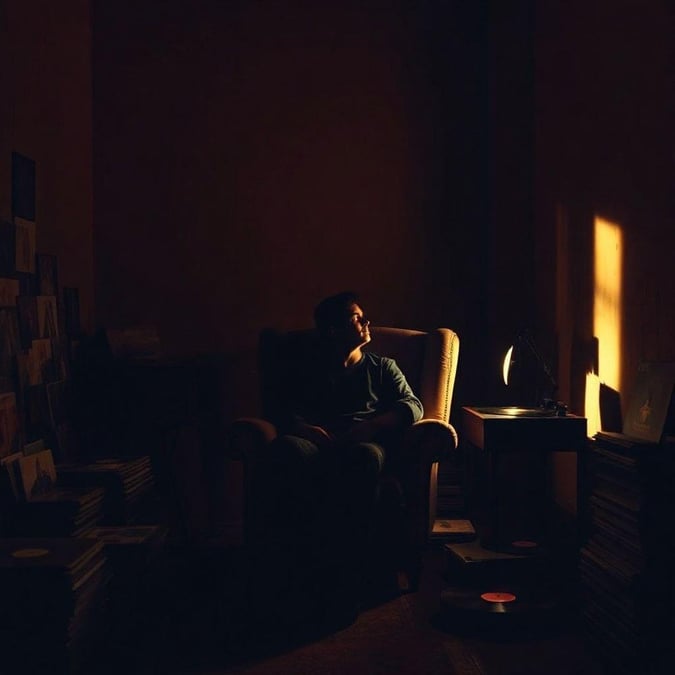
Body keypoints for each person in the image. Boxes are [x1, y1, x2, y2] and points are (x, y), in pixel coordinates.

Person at [254, 291, 423, 634]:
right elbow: (277, 408)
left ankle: (348, 577)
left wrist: (372, 426)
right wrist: (304, 429)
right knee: (286, 450)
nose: (366, 322)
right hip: (313, 441)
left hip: (360, 442)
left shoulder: (381, 367)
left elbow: (412, 405)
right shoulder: (305, 365)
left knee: (365, 457)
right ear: (332, 329)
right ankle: (290, 576)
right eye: (356, 318)